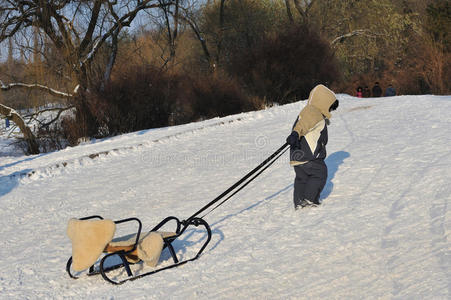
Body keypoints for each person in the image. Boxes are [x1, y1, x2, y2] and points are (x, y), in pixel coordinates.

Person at [286, 84, 339, 210]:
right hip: (308, 155)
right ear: (323, 102)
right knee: (319, 173)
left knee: (301, 178)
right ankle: (310, 198)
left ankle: (299, 202)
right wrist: (295, 133)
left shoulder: (311, 111)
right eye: (329, 107)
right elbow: (302, 125)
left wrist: (295, 135)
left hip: (298, 154)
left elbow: (305, 123)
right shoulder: (313, 112)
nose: (329, 111)